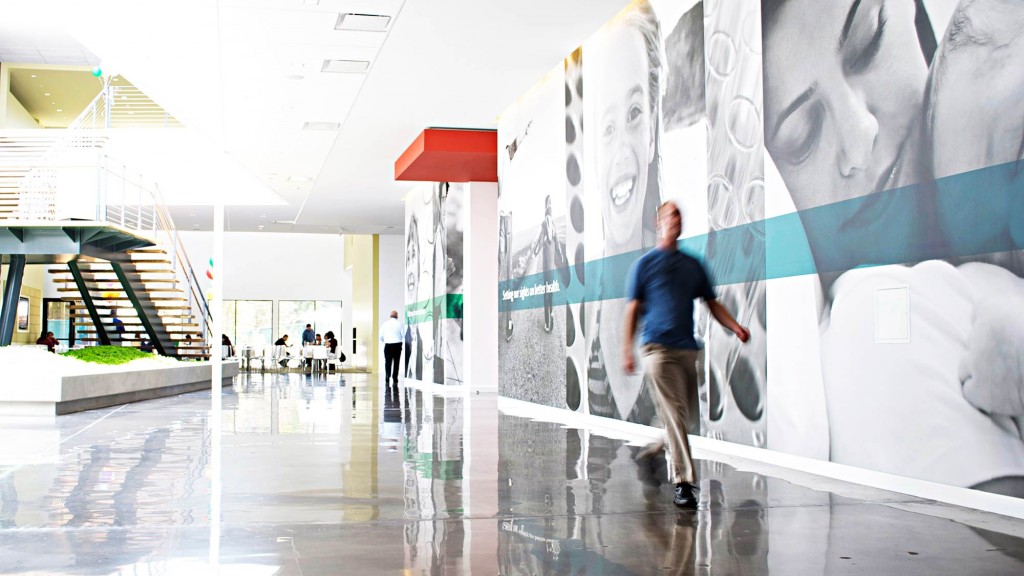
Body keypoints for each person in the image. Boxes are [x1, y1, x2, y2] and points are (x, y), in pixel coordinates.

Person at [624, 202, 750, 508]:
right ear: (659, 223)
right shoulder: (644, 265)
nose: (676, 220)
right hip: (656, 350)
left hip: (686, 350)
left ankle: (650, 454)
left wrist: (734, 326)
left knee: (683, 419)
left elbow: (712, 302)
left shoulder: (692, 265)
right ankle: (683, 481)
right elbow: (632, 310)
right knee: (676, 416)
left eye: (680, 215)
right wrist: (626, 350)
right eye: (671, 215)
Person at [585, 0, 664, 423]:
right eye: (607, 127)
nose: (620, 155)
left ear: (652, 130)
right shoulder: (584, 311)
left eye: (634, 114)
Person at [379, 310, 404, 396]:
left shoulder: (385, 324)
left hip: (388, 345)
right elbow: (403, 334)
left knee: (388, 362)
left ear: (390, 316)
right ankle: (395, 378)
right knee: (396, 362)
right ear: (396, 316)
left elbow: (380, 336)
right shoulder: (399, 324)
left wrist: (386, 341)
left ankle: (387, 377)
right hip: (397, 345)